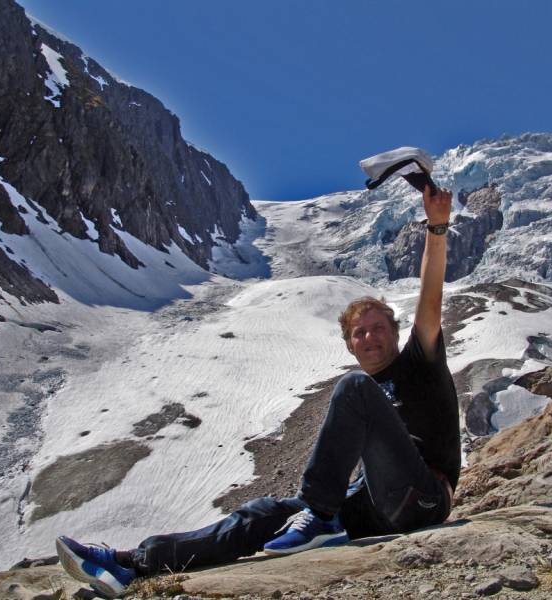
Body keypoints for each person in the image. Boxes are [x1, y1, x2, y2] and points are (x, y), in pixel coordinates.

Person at [55, 185, 460, 598]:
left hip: (422, 498)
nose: (370, 337)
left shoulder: (418, 362)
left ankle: (318, 515)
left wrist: (436, 226)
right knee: (262, 514)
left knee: (352, 389)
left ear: (396, 333)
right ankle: (131, 564)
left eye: (378, 329)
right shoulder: (364, 394)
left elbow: (430, 298)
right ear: (349, 345)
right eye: (360, 333)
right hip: (369, 506)